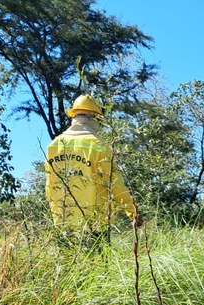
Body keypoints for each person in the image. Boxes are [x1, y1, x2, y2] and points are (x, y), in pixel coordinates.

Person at [45, 94, 141, 245]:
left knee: (65, 267)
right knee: (97, 266)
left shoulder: (54, 145)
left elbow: (49, 187)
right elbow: (115, 184)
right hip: (94, 224)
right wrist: (132, 212)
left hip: (63, 222)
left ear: (74, 115)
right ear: (94, 117)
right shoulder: (99, 145)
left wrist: (56, 216)